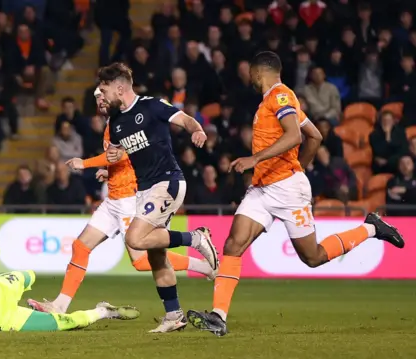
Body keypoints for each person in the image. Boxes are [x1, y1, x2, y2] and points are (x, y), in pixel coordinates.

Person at [186, 51, 405, 337]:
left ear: (257, 73)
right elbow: (315, 135)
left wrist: (259, 161)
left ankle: (371, 228)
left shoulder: (280, 96)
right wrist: (297, 166)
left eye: (250, 74)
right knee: (233, 244)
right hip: (263, 189)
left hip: (288, 190)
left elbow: (296, 136)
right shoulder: (274, 100)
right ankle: (218, 316)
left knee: (312, 257)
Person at [27, 88, 216, 316]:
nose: (100, 101)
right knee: (80, 246)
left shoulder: (125, 121)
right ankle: (60, 305)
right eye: (97, 98)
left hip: (129, 198)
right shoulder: (113, 124)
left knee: (141, 260)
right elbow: (123, 159)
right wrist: (110, 173)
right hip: (113, 199)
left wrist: (84, 163)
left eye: (103, 96)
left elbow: (124, 154)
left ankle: (203, 265)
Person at [97, 63, 219, 333]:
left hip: (167, 182)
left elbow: (185, 119)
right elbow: (118, 153)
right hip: (144, 190)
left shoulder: (151, 106)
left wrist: (197, 130)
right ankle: (174, 315)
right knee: (156, 257)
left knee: (134, 239)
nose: (101, 95)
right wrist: (108, 169)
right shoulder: (116, 123)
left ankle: (196, 238)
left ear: (120, 88)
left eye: (104, 90)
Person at [0, 246, 140, 333]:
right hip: (8, 320)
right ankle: (104, 311)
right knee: (63, 324)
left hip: (2, 288)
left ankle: (46, 304)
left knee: (29, 274)